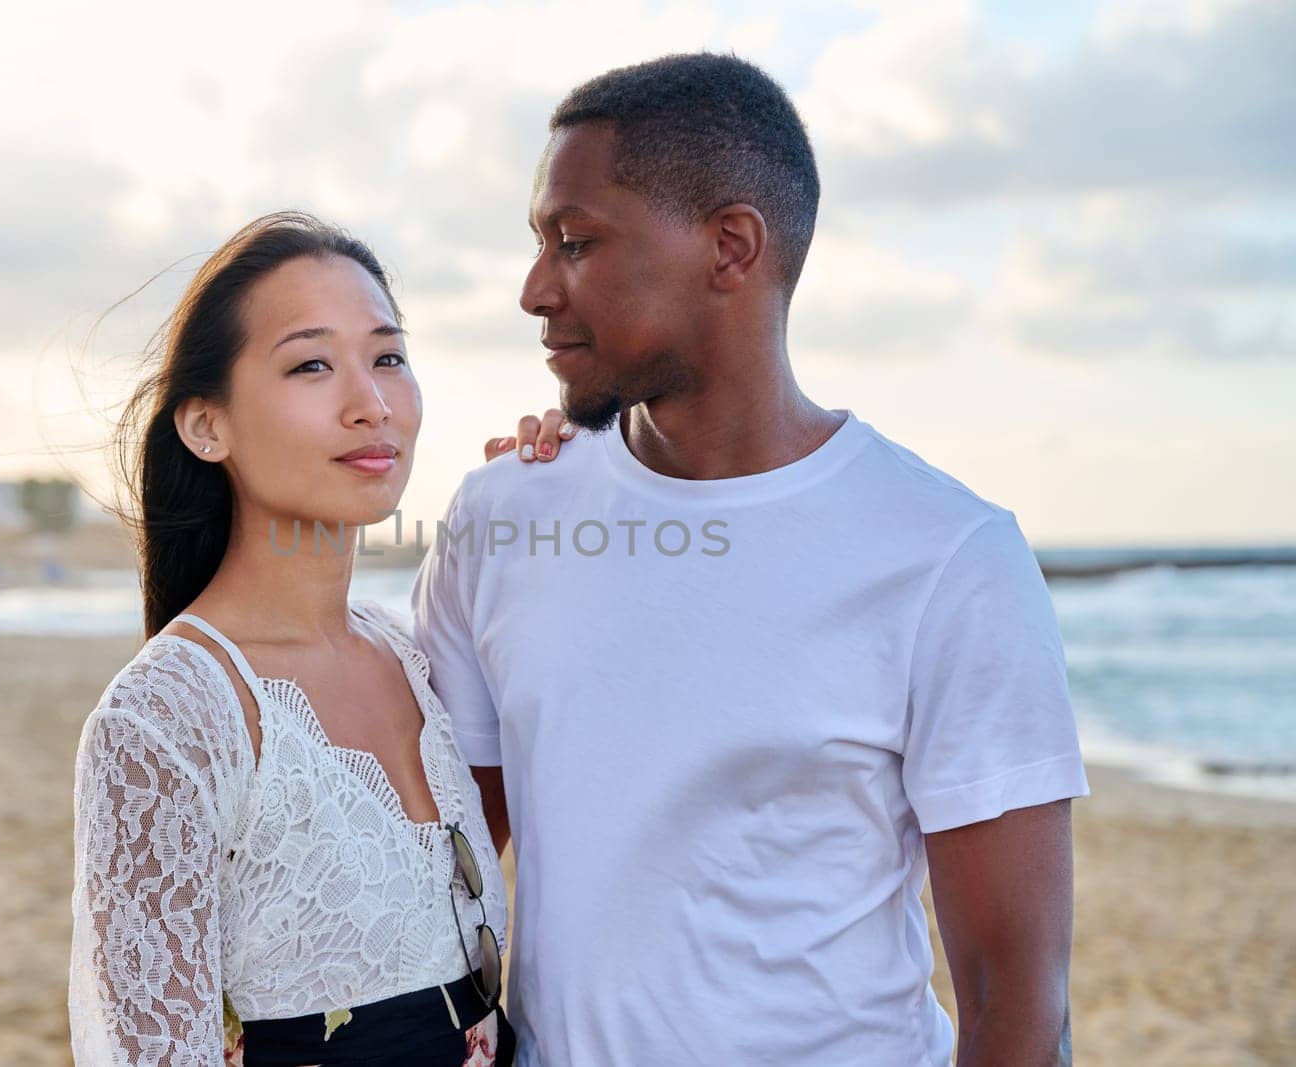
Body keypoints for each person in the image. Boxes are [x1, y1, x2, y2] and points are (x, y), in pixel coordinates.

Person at [413, 53, 1089, 1065]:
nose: (534, 288)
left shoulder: (949, 556)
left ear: (730, 247)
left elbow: (1016, 1004)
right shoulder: (502, 516)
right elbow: (434, 880)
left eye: (575, 240)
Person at [68, 212, 567, 1065]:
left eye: (388, 358)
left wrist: (553, 495)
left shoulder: (416, 657)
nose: (371, 405)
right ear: (206, 425)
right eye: (310, 364)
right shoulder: (167, 719)